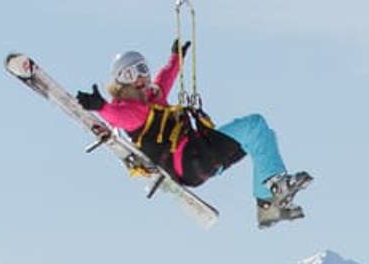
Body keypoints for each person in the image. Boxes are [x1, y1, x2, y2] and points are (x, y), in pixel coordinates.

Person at [75, 41, 311, 225]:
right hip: (190, 158)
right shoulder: (132, 111)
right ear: (120, 82)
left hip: (198, 162)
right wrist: (100, 107)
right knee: (254, 126)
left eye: (142, 69)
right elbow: (118, 116)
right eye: (130, 74)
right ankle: (274, 188)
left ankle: (268, 206)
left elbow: (164, 79)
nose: (139, 77)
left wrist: (176, 58)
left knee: (262, 136)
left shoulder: (152, 98)